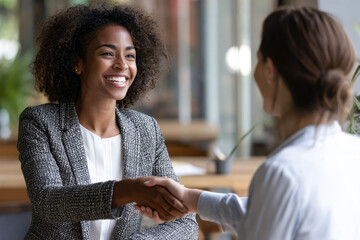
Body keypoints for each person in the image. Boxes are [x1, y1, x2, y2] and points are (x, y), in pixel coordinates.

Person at [138, 6, 360, 239]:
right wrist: (191, 198)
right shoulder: (353, 152)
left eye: (258, 59)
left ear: (270, 70)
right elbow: (264, 213)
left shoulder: (282, 172)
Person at [17, 3, 198, 240]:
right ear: (77, 63)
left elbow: (186, 222)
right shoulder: (40, 122)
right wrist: (129, 190)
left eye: (130, 55)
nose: (122, 64)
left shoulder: (146, 130)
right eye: (107, 53)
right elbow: (49, 202)